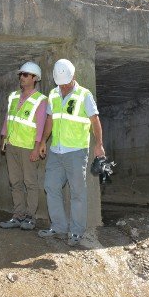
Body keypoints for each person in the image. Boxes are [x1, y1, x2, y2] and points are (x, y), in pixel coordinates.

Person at [37, 59, 105, 247]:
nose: (64, 86)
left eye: (66, 82)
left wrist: (99, 144)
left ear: (73, 76)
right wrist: (43, 140)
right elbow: (50, 120)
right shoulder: (53, 93)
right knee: (51, 186)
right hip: (55, 150)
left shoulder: (84, 95)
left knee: (77, 192)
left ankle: (76, 231)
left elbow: (95, 120)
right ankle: (59, 226)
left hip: (76, 151)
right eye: (60, 82)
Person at [0, 61, 47, 231]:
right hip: (12, 146)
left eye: (25, 75)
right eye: (21, 74)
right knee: (15, 182)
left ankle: (30, 217)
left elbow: (40, 126)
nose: (21, 77)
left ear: (35, 78)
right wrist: (3, 138)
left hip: (28, 148)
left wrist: (36, 147)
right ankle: (17, 216)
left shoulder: (40, 100)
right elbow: (8, 119)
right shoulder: (13, 96)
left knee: (30, 183)